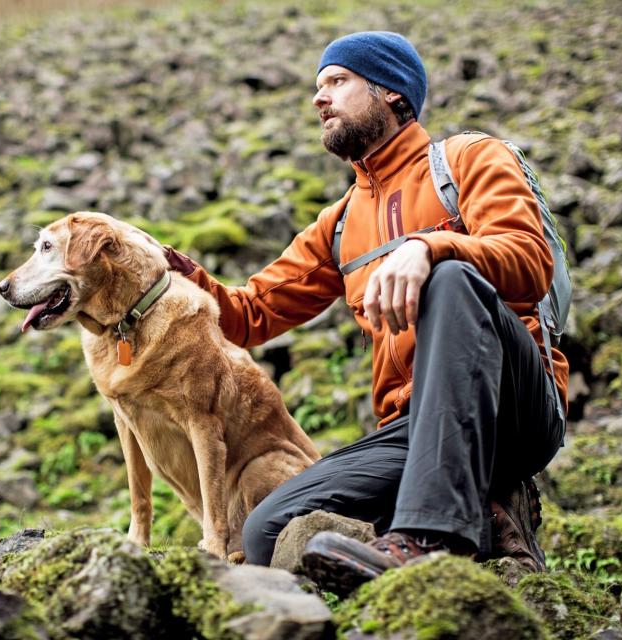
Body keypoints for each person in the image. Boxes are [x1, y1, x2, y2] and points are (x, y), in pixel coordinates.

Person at [163, 31, 567, 593]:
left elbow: (529, 261)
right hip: (414, 430)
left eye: (337, 81)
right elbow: (249, 315)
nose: (318, 98)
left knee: (450, 279)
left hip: (514, 408)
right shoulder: (341, 222)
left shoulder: (468, 159)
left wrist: (429, 247)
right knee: (267, 531)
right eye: (317, 86)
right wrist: (171, 276)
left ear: (393, 94)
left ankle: (429, 538)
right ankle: (471, 526)